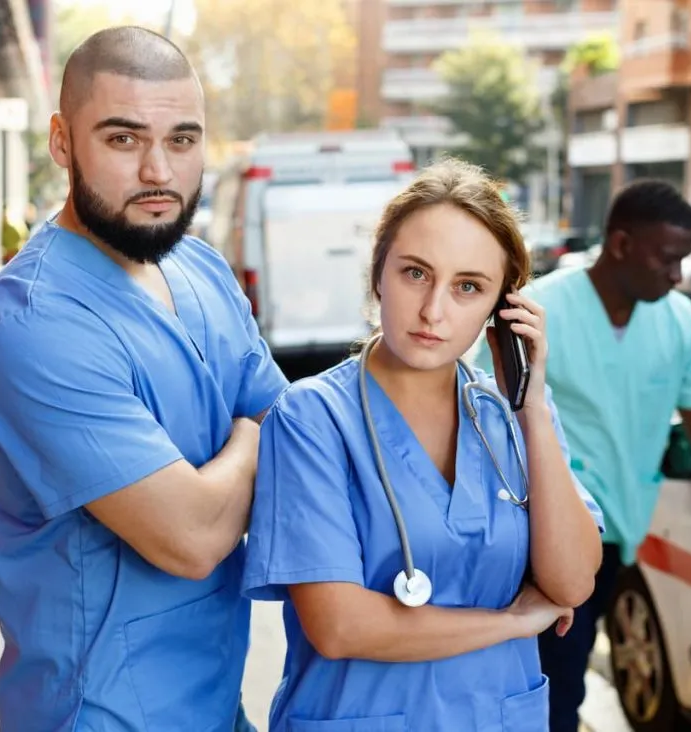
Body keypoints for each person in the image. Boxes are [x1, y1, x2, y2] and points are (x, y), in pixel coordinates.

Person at [0, 27, 286, 732]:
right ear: (61, 141)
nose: (159, 173)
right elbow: (193, 538)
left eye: (182, 139)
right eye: (122, 139)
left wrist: (249, 441)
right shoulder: (33, 323)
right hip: (101, 712)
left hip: (218, 701)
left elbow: (288, 427)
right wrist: (252, 435)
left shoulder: (199, 268)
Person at [242, 158, 606, 731]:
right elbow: (340, 627)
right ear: (378, 273)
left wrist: (533, 409)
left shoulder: (513, 414)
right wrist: (513, 621)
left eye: (468, 287)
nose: (435, 310)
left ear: (501, 309)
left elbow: (571, 583)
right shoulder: (313, 417)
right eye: (416, 273)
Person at [474, 179, 691, 732]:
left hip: (620, 539)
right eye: (668, 259)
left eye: (683, 261)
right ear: (620, 244)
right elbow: (479, 419)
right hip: (542, 542)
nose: (678, 275)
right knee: (550, 694)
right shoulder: (539, 310)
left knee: (567, 684)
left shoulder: (679, 321)